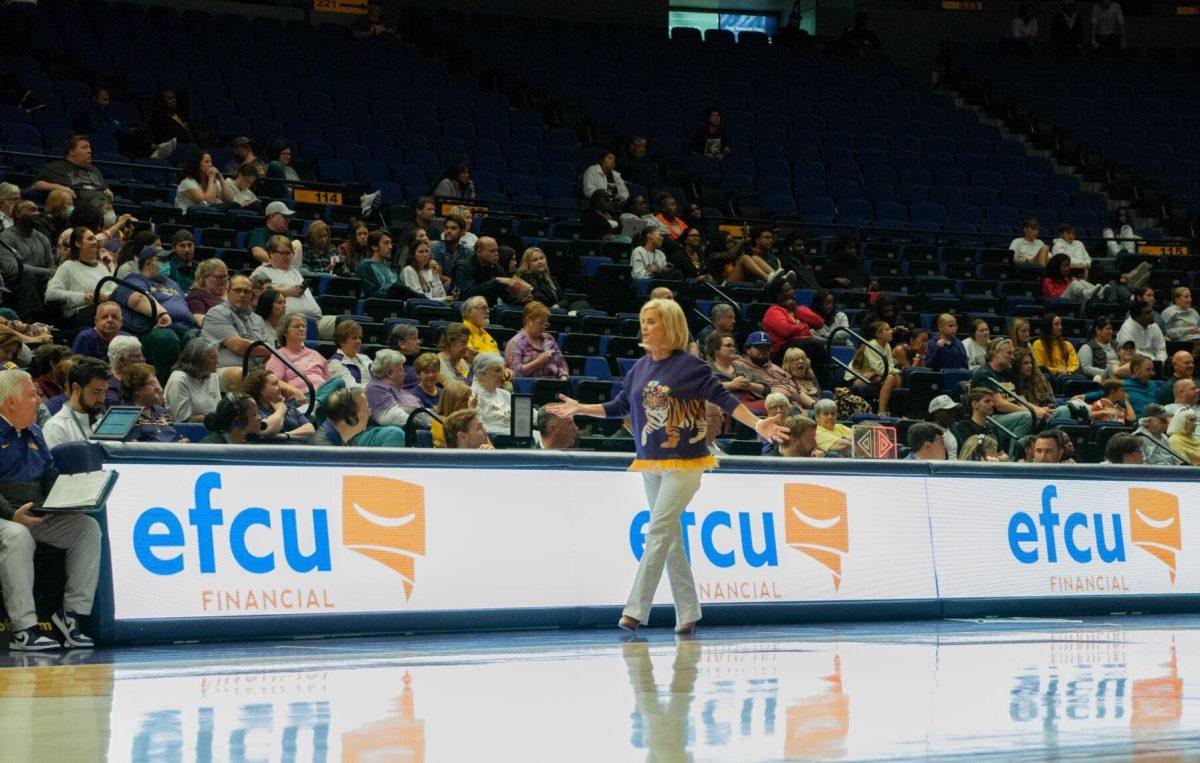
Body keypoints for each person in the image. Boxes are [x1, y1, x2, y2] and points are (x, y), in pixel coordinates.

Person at [546, 298, 786, 635]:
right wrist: (580, 408)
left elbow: (725, 400)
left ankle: (634, 610)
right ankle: (688, 612)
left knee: (657, 531)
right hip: (650, 460)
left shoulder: (692, 367)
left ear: (670, 326)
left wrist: (758, 423)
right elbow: (618, 406)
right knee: (671, 538)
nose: (645, 327)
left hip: (686, 461)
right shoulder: (639, 368)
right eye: (643, 320)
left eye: (652, 321)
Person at [0, 369, 102, 649]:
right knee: (16, 535)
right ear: (11, 401)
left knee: (86, 528)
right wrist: (11, 514)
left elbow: (50, 474)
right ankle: (23, 629)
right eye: (33, 395)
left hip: (34, 513)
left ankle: (71, 616)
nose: (40, 401)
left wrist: (65, 501)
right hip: (4, 516)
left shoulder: (35, 432)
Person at [45, 227, 123, 328]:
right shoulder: (68, 266)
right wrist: (84, 297)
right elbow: (51, 294)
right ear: (78, 243)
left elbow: (114, 289)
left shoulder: (101, 267)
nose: (95, 242)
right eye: (90, 239)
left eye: (95, 239)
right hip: (80, 316)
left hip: (103, 310)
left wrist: (106, 296)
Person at [200, 274, 275, 376]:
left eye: (247, 291)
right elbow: (239, 346)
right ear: (228, 291)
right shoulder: (216, 313)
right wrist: (271, 350)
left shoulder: (258, 319)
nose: (242, 295)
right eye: (237, 290)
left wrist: (270, 353)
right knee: (239, 374)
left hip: (257, 371)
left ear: (252, 295)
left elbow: (269, 351)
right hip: (222, 371)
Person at [42, 358, 109, 449]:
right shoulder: (56, 428)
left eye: (104, 392)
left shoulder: (104, 421)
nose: (102, 399)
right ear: (76, 388)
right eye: (96, 392)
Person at [761, 276, 825, 366]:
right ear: (779, 296)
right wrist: (805, 326)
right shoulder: (774, 311)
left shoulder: (799, 309)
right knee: (814, 346)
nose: (793, 292)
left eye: (792, 289)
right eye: (788, 290)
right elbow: (786, 330)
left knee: (816, 346)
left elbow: (819, 323)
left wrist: (795, 311)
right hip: (783, 350)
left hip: (804, 344)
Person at [32, 135, 111, 207]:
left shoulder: (94, 169)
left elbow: (104, 187)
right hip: (77, 209)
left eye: (89, 148)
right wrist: (60, 188)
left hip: (102, 208)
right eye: (84, 147)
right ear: (72, 152)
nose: (89, 151)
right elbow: (37, 185)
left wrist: (107, 191)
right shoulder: (57, 167)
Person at [266, 313, 332, 395]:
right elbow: (273, 381)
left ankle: (317, 402)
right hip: (301, 397)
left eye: (303, 326)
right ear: (285, 332)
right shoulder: (279, 355)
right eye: (296, 326)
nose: (301, 329)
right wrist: (294, 390)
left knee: (339, 383)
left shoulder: (315, 354)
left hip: (323, 394)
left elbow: (328, 381)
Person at [243, 369, 314, 443]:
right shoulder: (254, 411)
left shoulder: (287, 405)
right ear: (261, 390)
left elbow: (310, 429)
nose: (280, 387)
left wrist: (285, 436)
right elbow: (268, 429)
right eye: (275, 384)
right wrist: (280, 411)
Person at [455, 236, 529, 305]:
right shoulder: (464, 267)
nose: (496, 254)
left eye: (497, 250)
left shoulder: (498, 268)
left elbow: (506, 296)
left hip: (488, 309)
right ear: (479, 252)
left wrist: (521, 300)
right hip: (465, 308)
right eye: (492, 251)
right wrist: (495, 281)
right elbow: (468, 294)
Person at [846, 321, 900, 415]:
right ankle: (882, 412)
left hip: (872, 375)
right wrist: (896, 371)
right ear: (878, 334)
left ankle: (894, 411)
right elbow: (881, 369)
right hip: (856, 378)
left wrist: (877, 372)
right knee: (891, 377)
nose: (891, 331)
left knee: (896, 378)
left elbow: (889, 366)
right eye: (887, 329)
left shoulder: (887, 345)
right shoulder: (872, 345)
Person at [119, 362, 182, 442]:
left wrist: (179, 443)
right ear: (137, 389)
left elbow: (171, 437)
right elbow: (134, 449)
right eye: (151, 383)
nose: (157, 388)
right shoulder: (126, 416)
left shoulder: (161, 411)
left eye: (155, 383)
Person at [505, 301, 567, 380]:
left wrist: (563, 377)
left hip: (554, 384)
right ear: (528, 320)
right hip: (530, 387)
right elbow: (514, 373)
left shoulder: (549, 338)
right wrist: (538, 361)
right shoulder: (515, 342)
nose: (543, 327)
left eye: (546, 324)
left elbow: (561, 363)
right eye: (540, 323)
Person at [164, 338, 221, 424]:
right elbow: (182, 421)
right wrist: (212, 418)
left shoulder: (213, 375)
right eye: (213, 358)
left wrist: (203, 417)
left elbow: (218, 410)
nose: (217, 361)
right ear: (199, 360)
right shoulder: (179, 379)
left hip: (213, 427)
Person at [364, 350, 420, 428]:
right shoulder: (375, 388)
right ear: (389, 373)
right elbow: (391, 416)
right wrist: (425, 422)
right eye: (401, 370)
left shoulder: (400, 390)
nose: (404, 374)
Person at [470, 353, 512, 435]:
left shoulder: (505, 394)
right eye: (497, 371)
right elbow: (479, 428)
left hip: (514, 435)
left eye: (502, 370)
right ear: (482, 374)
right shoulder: (473, 396)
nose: (502, 375)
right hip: (494, 440)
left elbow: (529, 416)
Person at [328, 320, 372, 391]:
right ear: (342, 341)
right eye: (354, 338)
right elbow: (352, 388)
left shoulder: (364, 357)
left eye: (359, 337)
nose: (358, 341)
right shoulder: (335, 363)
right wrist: (376, 390)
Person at [185, 257, 229, 326]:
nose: (223, 280)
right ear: (205, 278)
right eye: (218, 277)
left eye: (225, 276)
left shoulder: (232, 292)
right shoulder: (196, 297)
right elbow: (201, 322)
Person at [1078, 316, 1121, 380]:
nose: (1111, 332)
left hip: (1121, 375)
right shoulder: (1087, 347)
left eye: (1111, 329)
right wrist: (1108, 372)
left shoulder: (1116, 345)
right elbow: (1086, 368)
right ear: (1098, 330)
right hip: (1103, 380)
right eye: (1108, 329)